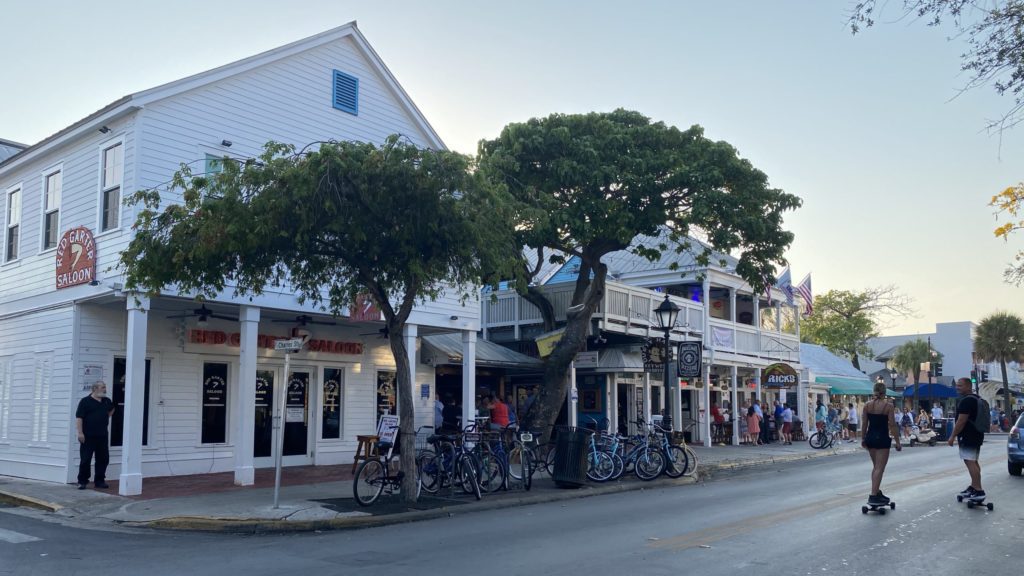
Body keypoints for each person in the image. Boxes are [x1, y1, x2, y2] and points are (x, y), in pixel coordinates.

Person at [862, 381, 902, 505]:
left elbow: (864, 424)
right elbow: (892, 425)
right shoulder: (888, 406)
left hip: (870, 437)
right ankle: (873, 495)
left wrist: (863, 438)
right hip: (882, 438)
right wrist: (897, 442)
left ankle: (877, 492)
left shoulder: (867, 405)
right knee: (880, 468)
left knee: (875, 468)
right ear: (884, 393)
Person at [948, 377, 986, 502]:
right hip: (977, 434)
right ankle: (974, 487)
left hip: (968, 435)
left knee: (970, 462)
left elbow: (961, 421)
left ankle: (979, 490)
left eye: (960, 385)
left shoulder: (966, 401)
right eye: (957, 385)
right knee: (973, 461)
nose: (957, 387)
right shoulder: (976, 399)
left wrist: (952, 436)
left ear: (969, 387)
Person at [76, 381, 114, 490]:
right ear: (95, 389)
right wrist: (80, 433)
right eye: (102, 387)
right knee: (85, 459)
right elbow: (79, 418)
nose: (105, 389)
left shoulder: (107, 401)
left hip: (102, 435)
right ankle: (82, 481)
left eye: (105, 387)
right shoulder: (85, 401)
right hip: (87, 436)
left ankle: (99, 481)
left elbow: (112, 409)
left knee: (103, 459)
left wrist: (106, 417)